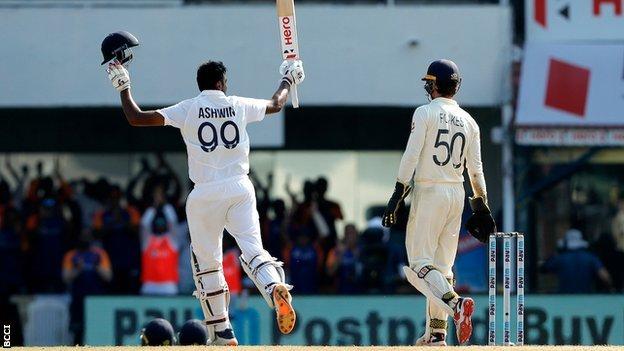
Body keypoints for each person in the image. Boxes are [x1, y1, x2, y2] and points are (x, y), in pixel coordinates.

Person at [105, 41, 305, 344]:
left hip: (204, 194)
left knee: (207, 263)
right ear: (222, 83)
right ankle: (273, 286)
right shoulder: (237, 104)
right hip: (240, 187)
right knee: (253, 251)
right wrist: (288, 79)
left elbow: (136, 117)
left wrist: (123, 84)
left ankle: (222, 333)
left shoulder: (189, 108)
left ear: (200, 86)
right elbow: (276, 104)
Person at [381, 59, 495, 346]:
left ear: (433, 84)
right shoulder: (470, 121)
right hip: (457, 194)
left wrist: (397, 194)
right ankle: (437, 335)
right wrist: (481, 205)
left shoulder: (425, 113)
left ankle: (455, 304)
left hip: (429, 191)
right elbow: (476, 169)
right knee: (443, 269)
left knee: (419, 264)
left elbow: (411, 155)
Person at [62, 230, 112, 345]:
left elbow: (108, 276)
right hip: (78, 299)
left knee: (97, 330)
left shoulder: (99, 254)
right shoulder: (71, 255)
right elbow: (66, 277)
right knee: (78, 332)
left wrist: (96, 266)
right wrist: (78, 269)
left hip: (96, 299)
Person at [542, 228, 612, 293]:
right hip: (586, 297)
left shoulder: (559, 258)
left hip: (564, 298)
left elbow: (544, 269)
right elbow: (605, 277)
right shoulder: (591, 258)